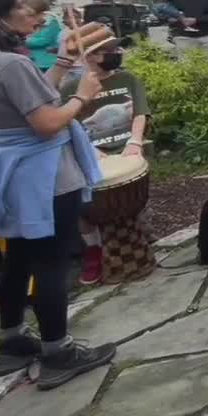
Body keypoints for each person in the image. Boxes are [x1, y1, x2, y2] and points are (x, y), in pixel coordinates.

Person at [0, 0, 117, 389]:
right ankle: (59, 351)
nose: (29, 12)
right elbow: (45, 123)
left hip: (7, 172)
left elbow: (30, 99)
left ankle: (13, 341)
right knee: (52, 260)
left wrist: (60, 63)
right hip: (44, 175)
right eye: (20, 6)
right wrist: (82, 97)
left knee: (18, 257)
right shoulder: (10, 65)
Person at [56, 34, 150, 286]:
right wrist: (90, 152)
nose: (117, 52)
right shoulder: (70, 89)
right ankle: (94, 250)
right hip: (90, 153)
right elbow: (68, 124)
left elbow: (140, 113)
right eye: (109, 50)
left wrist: (135, 142)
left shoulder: (127, 78)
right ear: (90, 57)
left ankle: (134, 237)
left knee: (129, 194)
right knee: (83, 208)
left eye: (116, 48)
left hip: (126, 147)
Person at [19, 0, 60, 72]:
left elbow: (44, 40)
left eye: (30, 14)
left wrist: (22, 41)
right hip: (32, 61)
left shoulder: (52, 22)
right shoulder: (28, 23)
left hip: (46, 62)